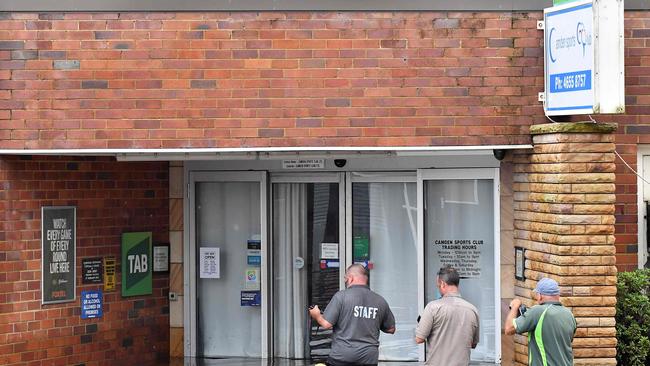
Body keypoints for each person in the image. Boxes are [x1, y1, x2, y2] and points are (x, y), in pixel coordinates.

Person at [308, 263, 395, 366]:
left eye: (345, 278)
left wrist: (316, 315)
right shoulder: (380, 301)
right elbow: (391, 329)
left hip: (342, 357)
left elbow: (326, 324)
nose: (345, 281)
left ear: (351, 278)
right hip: (369, 359)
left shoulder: (341, 297)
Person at [415, 266, 479, 366]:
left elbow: (419, 339)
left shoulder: (433, 307)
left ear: (443, 284)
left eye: (438, 285)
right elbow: (473, 344)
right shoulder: (472, 310)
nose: (438, 288)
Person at [505, 277, 577, 366]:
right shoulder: (569, 314)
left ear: (540, 296)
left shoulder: (537, 311)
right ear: (557, 295)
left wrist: (515, 306)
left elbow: (509, 329)